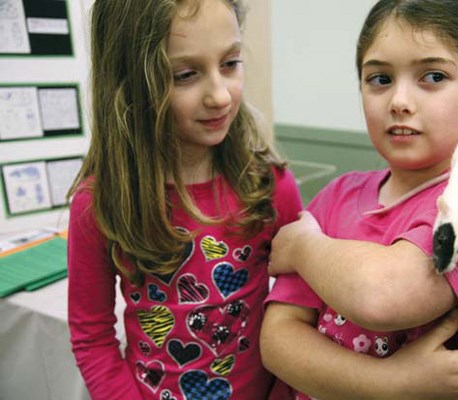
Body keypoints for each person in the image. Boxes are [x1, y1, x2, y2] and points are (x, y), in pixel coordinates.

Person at [261, 0, 458, 399]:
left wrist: (304, 247)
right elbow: (277, 341)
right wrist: (389, 383)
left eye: (432, 76)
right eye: (379, 79)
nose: (399, 100)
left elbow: (386, 296)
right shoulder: (336, 196)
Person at [66, 0, 304, 399]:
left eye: (230, 64)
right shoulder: (97, 204)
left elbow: (301, 309)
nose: (220, 96)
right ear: (130, 83)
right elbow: (92, 338)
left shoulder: (270, 185)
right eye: (186, 74)